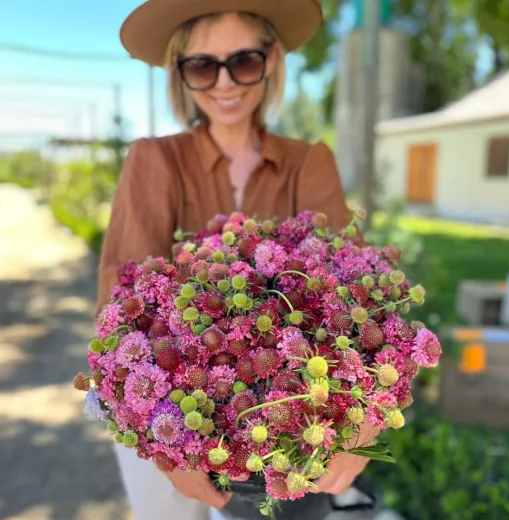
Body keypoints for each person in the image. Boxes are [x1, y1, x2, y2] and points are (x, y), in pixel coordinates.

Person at [96, 1, 378, 519]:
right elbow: (121, 311)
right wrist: (166, 450)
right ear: (180, 74)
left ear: (270, 61)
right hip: (158, 411)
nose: (224, 83)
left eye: (243, 61)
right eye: (202, 65)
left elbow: (355, 289)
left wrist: (364, 420)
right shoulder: (153, 160)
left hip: (281, 420)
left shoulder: (308, 161)